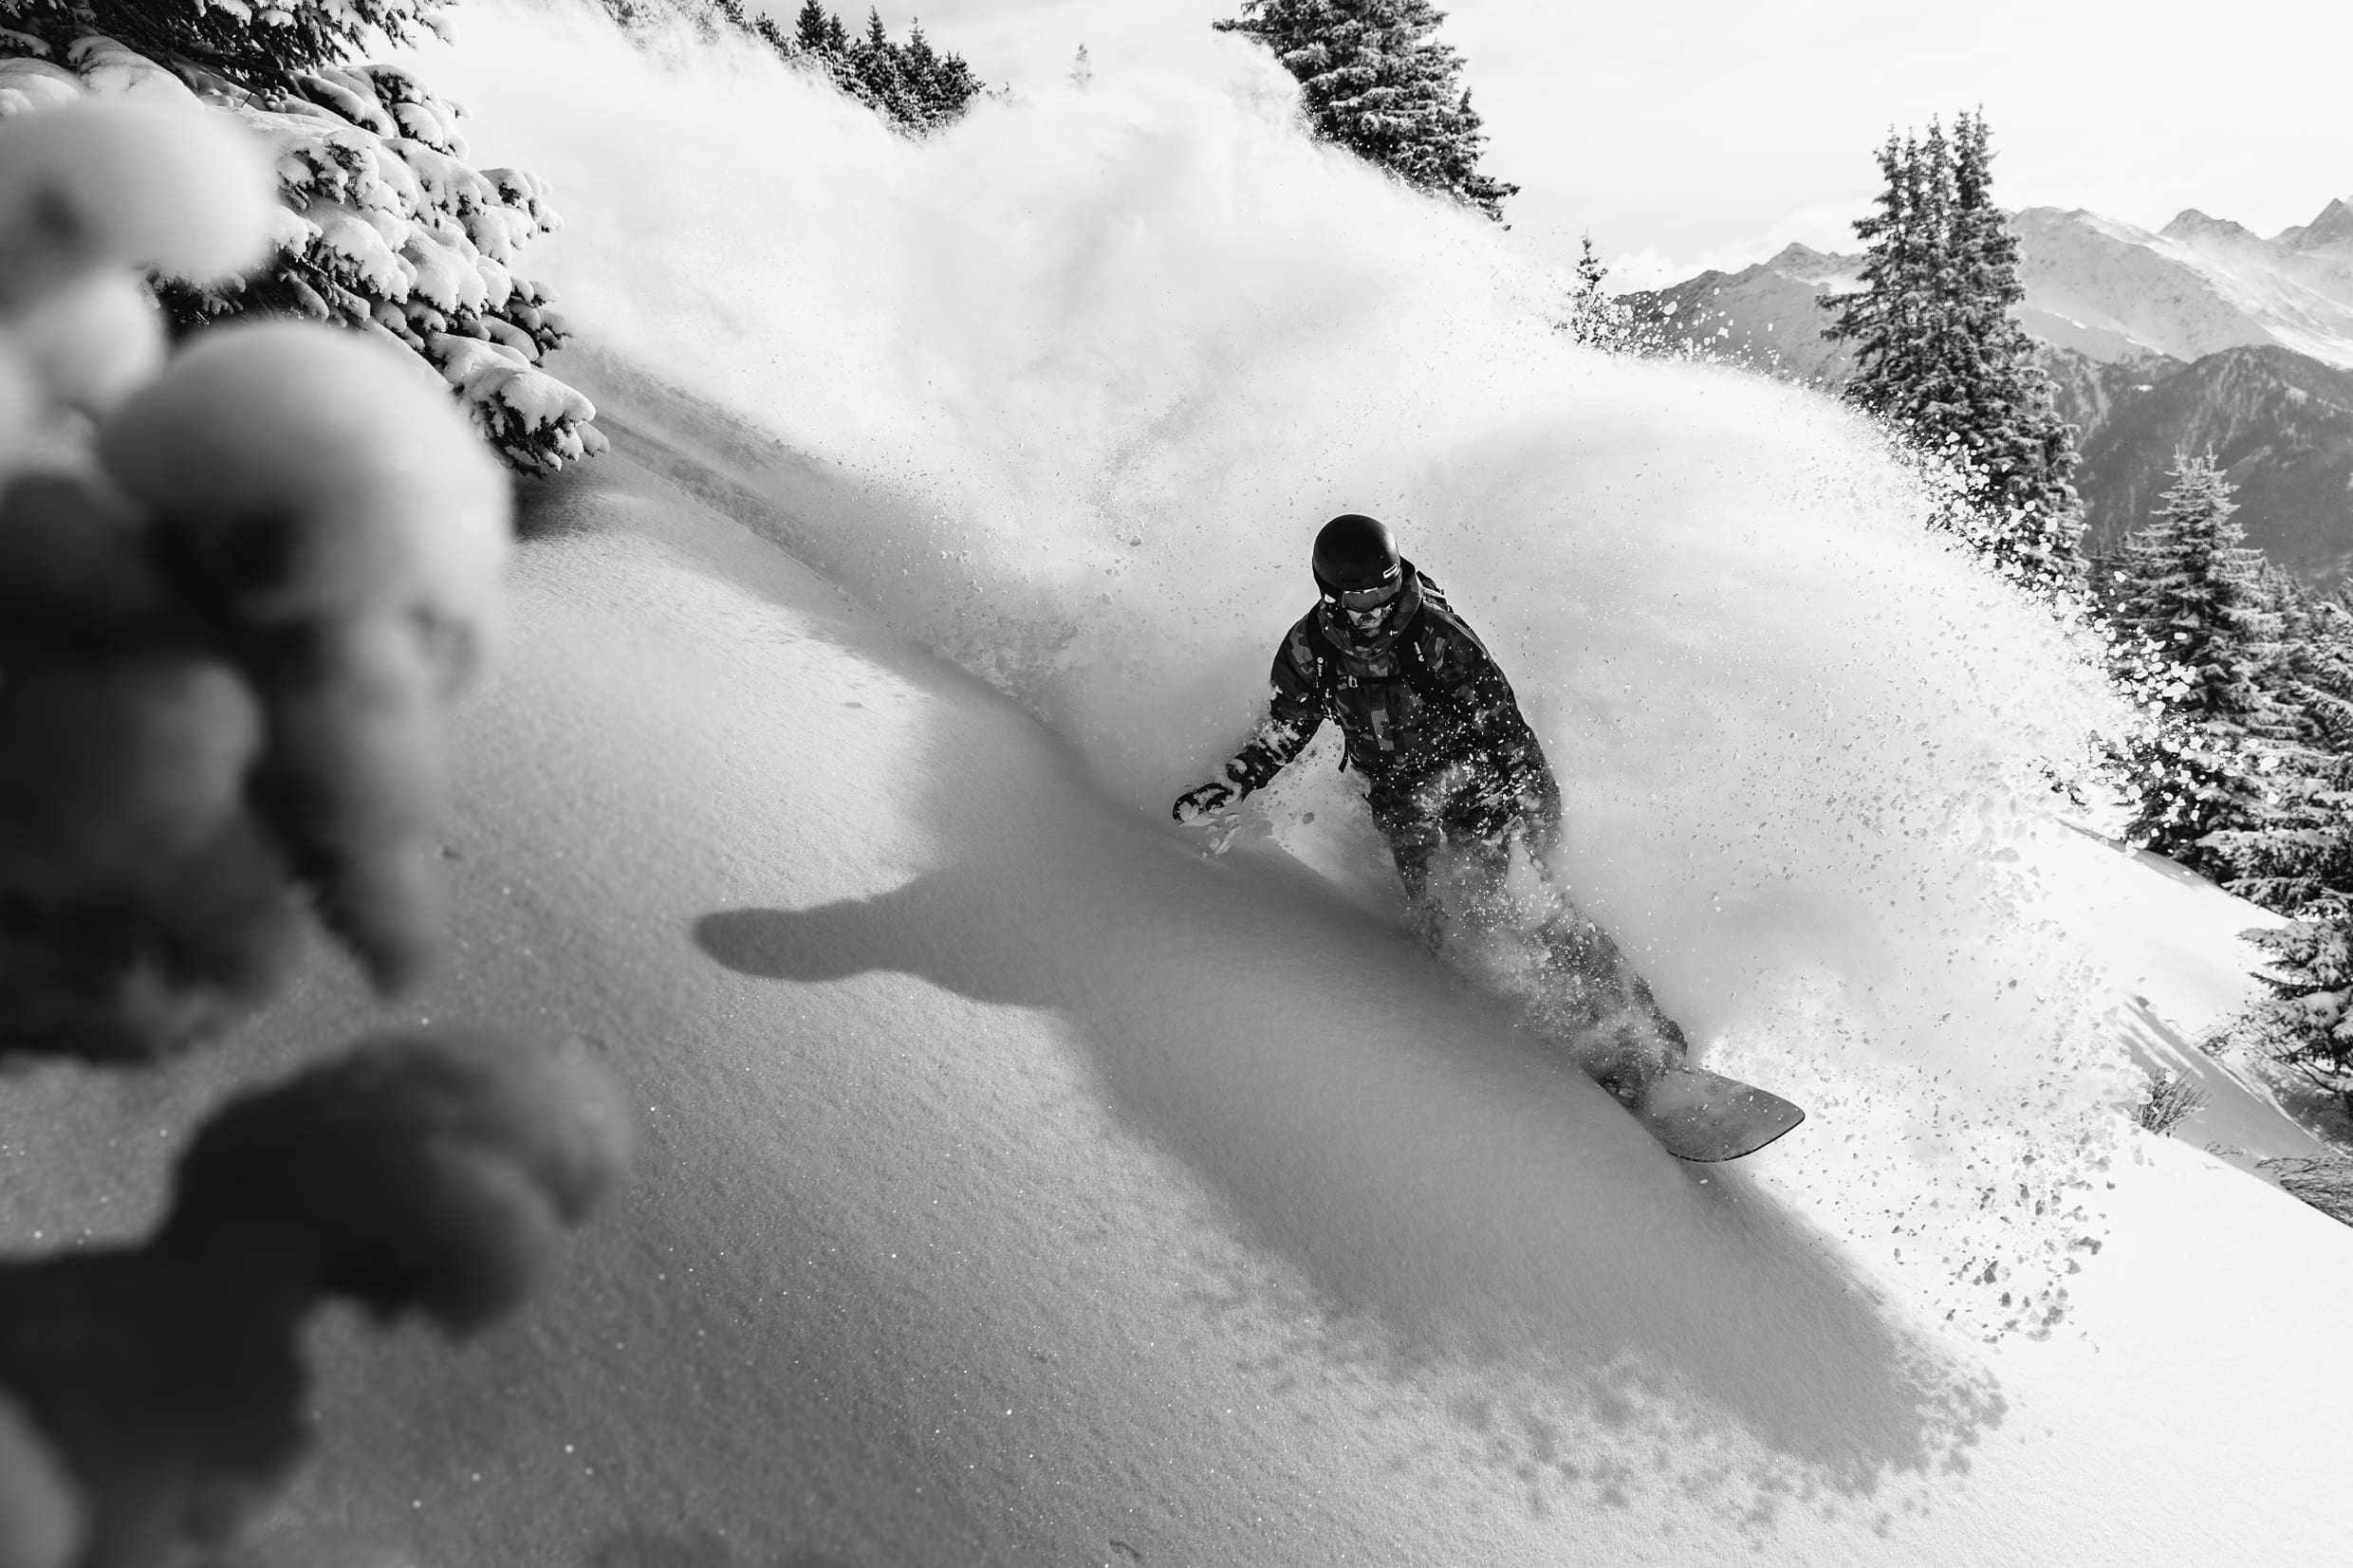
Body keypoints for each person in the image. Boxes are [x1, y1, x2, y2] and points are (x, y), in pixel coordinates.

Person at [1171, 512, 1689, 1100]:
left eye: (1385, 590)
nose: (1375, 609)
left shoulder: (1437, 637)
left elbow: (1506, 729)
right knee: (1443, 925)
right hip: (1400, 805)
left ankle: (1642, 1034)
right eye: (1359, 597)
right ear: (1330, 595)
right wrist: (1234, 782)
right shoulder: (1310, 648)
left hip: (1471, 788)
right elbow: (1286, 728)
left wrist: (1539, 808)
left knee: (1524, 904)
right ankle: (1556, 1036)